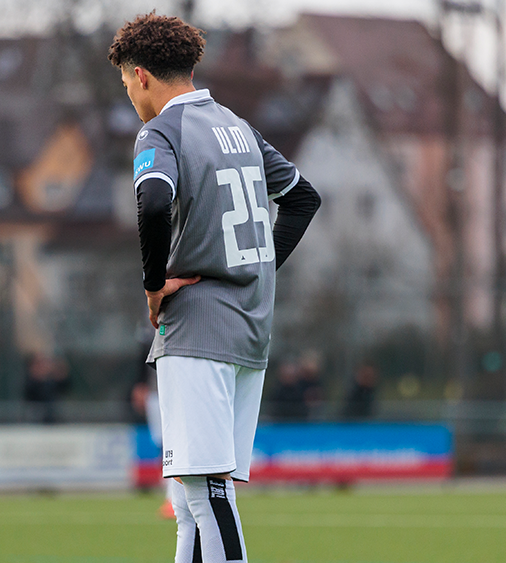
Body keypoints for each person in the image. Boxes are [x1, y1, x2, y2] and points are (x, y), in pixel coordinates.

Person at [108, 13, 321, 562]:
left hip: (198, 327)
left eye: (126, 81)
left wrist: (154, 284)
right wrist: (260, 270)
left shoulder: (161, 131)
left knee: (206, 493)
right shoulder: (235, 126)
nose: (129, 93)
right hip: (249, 327)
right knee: (190, 501)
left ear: (141, 75)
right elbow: (302, 199)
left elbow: (155, 200)